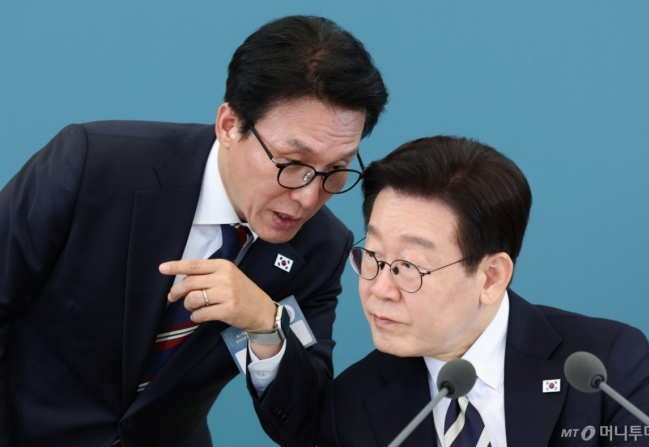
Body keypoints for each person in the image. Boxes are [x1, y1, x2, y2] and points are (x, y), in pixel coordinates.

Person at [0, 15, 388, 447]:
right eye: (292, 164)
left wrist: (267, 324)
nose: (309, 197)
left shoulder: (321, 248)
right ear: (229, 125)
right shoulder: (94, 165)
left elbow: (305, 423)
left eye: (336, 169)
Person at [318, 136, 649, 446]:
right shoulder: (352, 402)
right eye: (374, 257)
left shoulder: (602, 366)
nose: (380, 289)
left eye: (408, 267)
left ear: (490, 277)